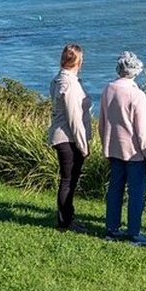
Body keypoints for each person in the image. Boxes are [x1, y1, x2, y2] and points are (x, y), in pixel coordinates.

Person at [98, 51, 146, 245]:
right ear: (135, 71)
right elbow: (142, 132)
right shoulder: (137, 95)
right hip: (134, 153)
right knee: (136, 193)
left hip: (113, 148)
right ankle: (134, 231)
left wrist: (104, 143)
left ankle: (112, 228)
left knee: (115, 189)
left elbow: (102, 122)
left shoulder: (108, 89)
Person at [47, 43, 92, 233]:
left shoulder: (58, 79)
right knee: (68, 181)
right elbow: (74, 118)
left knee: (68, 180)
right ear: (79, 61)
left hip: (60, 134)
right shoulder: (71, 84)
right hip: (68, 138)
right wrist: (83, 146)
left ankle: (67, 217)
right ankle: (64, 222)